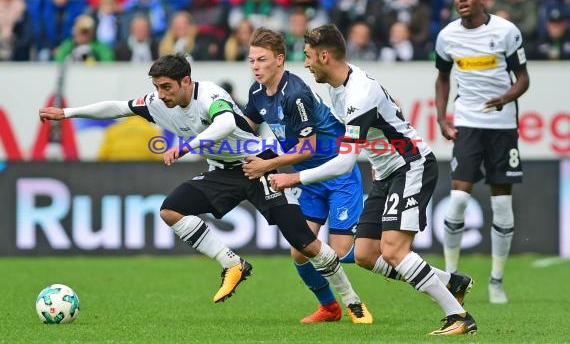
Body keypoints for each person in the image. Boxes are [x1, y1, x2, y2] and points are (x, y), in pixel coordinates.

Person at [38, 53, 366, 311]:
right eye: (157, 87)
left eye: (166, 87)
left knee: (304, 244)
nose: (160, 95)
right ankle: (232, 263)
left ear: (186, 81)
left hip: (257, 165)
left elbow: (224, 123)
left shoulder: (209, 94)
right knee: (171, 210)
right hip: (223, 171)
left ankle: (351, 301)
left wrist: (186, 146)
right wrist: (68, 113)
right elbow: (117, 108)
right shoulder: (156, 104)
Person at [269, 24, 477, 336]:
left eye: (309, 57)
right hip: (387, 172)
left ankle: (458, 316)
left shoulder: (359, 93)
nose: (307, 63)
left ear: (325, 56)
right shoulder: (339, 88)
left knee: (394, 251)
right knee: (366, 254)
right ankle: (451, 282)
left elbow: (344, 163)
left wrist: (294, 177)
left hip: (411, 165)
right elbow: (387, 121)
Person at [242, 27, 372, 324]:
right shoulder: (256, 92)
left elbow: (307, 148)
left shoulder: (296, 94)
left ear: (279, 59)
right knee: (300, 250)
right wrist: (214, 137)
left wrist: (266, 164)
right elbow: (244, 127)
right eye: (251, 61)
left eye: (261, 60)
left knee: (341, 253)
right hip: (309, 179)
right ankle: (330, 307)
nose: (255, 67)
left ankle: (392, 260)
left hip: (337, 173)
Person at [434, 0, 530, 304]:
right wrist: (441, 117)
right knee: (458, 199)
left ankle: (496, 280)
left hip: (502, 126)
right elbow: (443, 77)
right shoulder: (447, 36)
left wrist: (506, 98)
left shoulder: (506, 32)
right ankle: (450, 277)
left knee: (501, 204)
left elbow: (523, 78)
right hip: (468, 124)